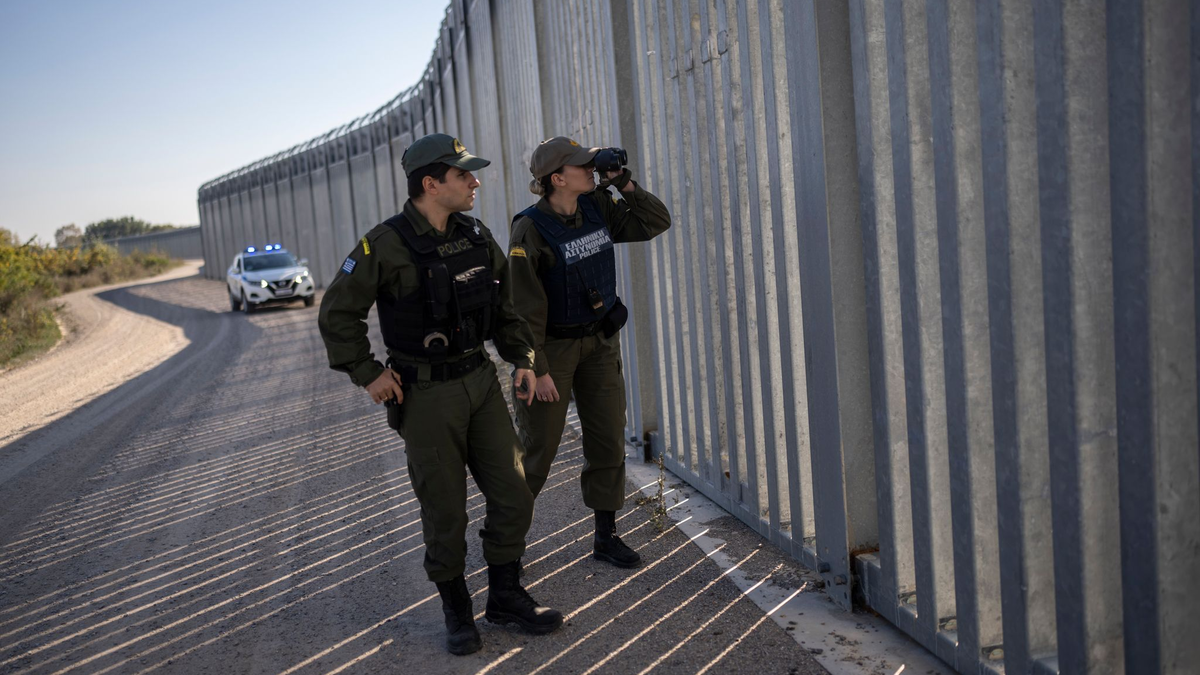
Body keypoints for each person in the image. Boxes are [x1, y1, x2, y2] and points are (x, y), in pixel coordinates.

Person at [317, 133, 562, 656]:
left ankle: (505, 596)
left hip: (480, 381)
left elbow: (505, 308)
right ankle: (457, 611)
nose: (475, 182)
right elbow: (338, 313)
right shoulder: (384, 244)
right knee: (445, 509)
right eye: (462, 174)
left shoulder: (475, 234)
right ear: (430, 184)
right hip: (426, 394)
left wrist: (523, 358)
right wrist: (367, 372)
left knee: (514, 491)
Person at [507, 136, 671, 569]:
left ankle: (606, 536)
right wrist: (537, 368)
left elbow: (655, 222)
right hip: (553, 351)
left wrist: (623, 183)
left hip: (599, 343)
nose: (591, 170)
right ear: (557, 179)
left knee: (607, 440)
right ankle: (506, 546)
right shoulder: (530, 229)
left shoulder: (597, 206)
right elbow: (523, 308)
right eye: (582, 165)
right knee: (537, 450)